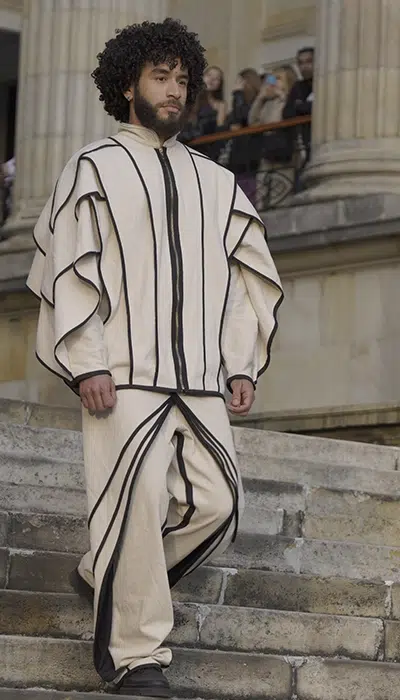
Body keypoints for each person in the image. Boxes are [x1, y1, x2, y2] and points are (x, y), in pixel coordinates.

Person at [27, 18, 283, 699]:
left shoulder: (216, 181)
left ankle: (103, 575)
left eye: (182, 80)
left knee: (218, 505)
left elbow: (245, 281)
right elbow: (70, 268)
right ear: (127, 85)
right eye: (160, 77)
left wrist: (239, 363)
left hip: (198, 377)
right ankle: (137, 656)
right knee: (136, 506)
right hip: (122, 375)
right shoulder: (94, 168)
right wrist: (87, 360)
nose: (174, 91)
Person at [249, 66, 297, 209]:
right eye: (271, 79)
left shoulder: (289, 100)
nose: (273, 82)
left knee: (281, 194)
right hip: (266, 150)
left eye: (278, 79)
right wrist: (260, 98)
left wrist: (282, 97)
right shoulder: (268, 103)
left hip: (283, 151)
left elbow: (283, 119)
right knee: (261, 194)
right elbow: (253, 121)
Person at [219, 68, 262, 202]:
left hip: (249, 154)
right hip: (237, 156)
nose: (236, 85)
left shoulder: (257, 101)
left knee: (247, 195)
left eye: (239, 82)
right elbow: (231, 123)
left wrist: (237, 94)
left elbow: (242, 116)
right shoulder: (239, 103)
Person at [179, 65, 226, 158]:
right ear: (202, 77)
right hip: (186, 143)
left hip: (207, 146)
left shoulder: (220, 105)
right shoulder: (191, 98)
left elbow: (220, 130)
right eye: (209, 75)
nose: (212, 80)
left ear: (220, 84)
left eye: (217, 78)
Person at [282, 47, 314, 166]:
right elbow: (287, 113)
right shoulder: (298, 87)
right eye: (301, 63)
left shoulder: (325, 83)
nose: (304, 67)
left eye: (309, 61)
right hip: (302, 144)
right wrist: (304, 107)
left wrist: (300, 107)